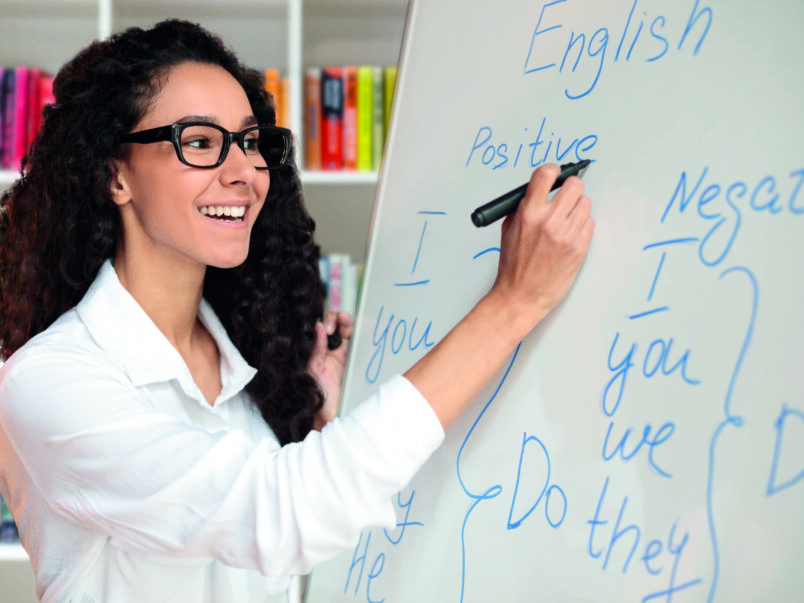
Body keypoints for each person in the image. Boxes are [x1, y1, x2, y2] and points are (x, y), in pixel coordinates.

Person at [0, 19, 594, 603]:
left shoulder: (248, 372)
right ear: (115, 175)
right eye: (200, 143)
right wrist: (515, 303)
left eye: (250, 142)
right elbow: (280, 514)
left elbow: (306, 556)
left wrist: (321, 427)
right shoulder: (49, 380)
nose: (242, 173)